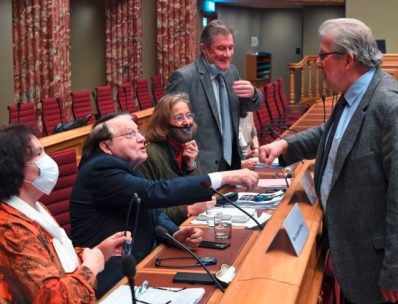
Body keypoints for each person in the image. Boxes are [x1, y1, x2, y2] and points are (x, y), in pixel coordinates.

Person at [259, 18, 398, 304]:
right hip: (357, 255)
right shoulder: (355, 93)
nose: (318, 63)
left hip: (382, 267)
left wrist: (397, 273)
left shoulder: (392, 109)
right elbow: (334, 132)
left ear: (347, 59)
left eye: (323, 55)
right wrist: (286, 144)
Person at [70, 112, 258, 298]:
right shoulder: (100, 169)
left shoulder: (122, 167)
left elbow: (149, 207)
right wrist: (222, 177)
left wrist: (174, 233)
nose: (141, 139)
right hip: (114, 280)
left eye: (139, 132)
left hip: (143, 263)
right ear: (106, 146)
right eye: (130, 134)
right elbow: (154, 192)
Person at [0, 124, 130, 303]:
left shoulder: (35, 207)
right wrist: (90, 268)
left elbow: (52, 260)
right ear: (15, 170)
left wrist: (99, 252)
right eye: (38, 154)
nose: (48, 159)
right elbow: (53, 299)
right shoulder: (9, 228)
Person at [166, 19, 262, 174]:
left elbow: (250, 107)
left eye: (231, 48)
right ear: (204, 49)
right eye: (221, 48)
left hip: (232, 163)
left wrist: (253, 93)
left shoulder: (232, 72)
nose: (228, 54)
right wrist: (190, 166)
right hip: (201, 167)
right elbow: (170, 127)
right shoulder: (184, 78)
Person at [137, 93, 216, 225]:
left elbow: (200, 191)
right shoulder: (150, 155)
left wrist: (191, 166)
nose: (187, 122)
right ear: (164, 124)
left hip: (190, 223)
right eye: (179, 118)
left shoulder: (187, 147)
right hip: (164, 232)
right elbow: (149, 208)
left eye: (189, 116)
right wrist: (188, 209)